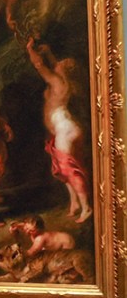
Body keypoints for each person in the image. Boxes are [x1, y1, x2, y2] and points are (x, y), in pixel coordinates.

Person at [26, 35, 92, 223]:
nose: (58, 63)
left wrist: (30, 48)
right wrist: (50, 53)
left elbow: (39, 65)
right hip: (66, 129)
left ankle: (86, 207)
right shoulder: (64, 82)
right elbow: (55, 65)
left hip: (65, 129)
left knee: (70, 171)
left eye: (61, 63)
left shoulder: (57, 82)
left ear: (64, 69)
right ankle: (75, 204)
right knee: (64, 170)